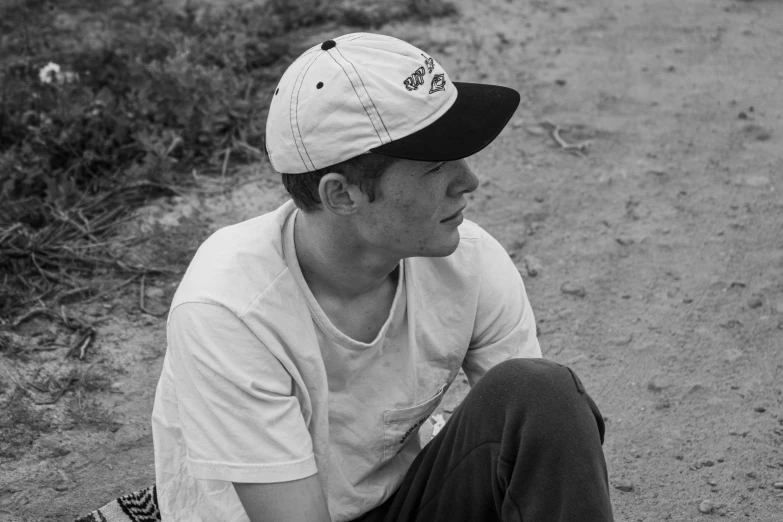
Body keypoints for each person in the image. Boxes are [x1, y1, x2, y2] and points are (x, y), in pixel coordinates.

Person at [151, 33, 614, 522]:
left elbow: (545, 455)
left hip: (397, 503)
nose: (468, 181)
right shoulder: (229, 311)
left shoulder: (467, 259)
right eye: (436, 165)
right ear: (342, 195)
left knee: (542, 395)